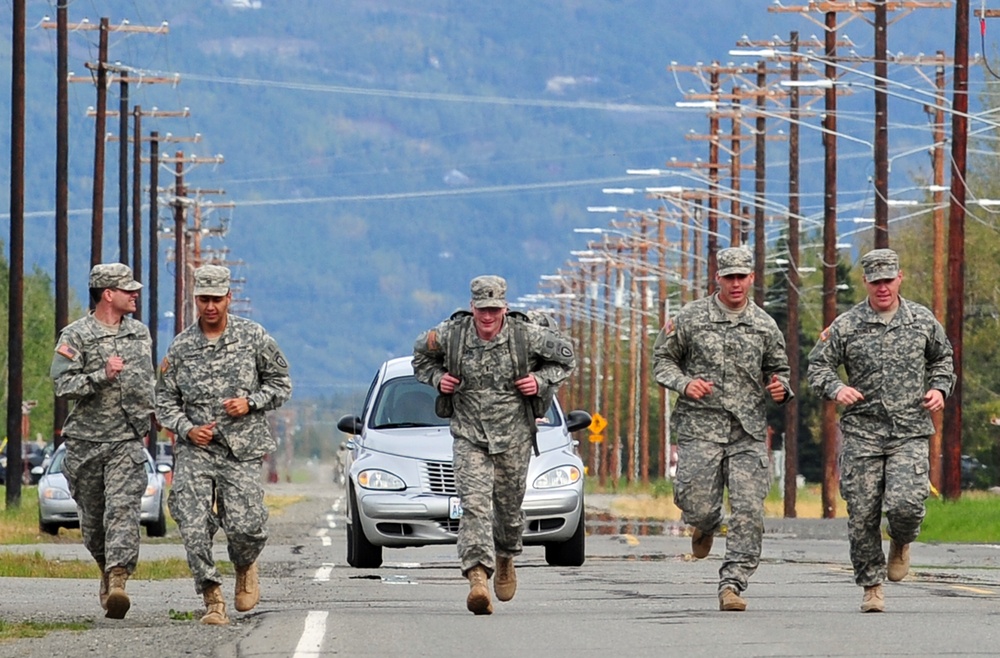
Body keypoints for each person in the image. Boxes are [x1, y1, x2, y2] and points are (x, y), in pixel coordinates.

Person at [412, 275, 575, 615]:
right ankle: (477, 578)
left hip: (514, 436)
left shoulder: (525, 336)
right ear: (472, 307)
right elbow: (420, 358)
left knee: (508, 512)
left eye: (494, 309)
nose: (488, 317)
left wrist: (540, 381)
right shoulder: (450, 335)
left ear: (505, 308)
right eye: (482, 310)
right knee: (473, 506)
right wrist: (438, 379)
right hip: (469, 434)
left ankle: (505, 557)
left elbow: (565, 359)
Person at [807, 248, 954, 613]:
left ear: (899, 278)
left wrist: (939, 388)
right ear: (866, 283)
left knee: (906, 503)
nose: (883, 287)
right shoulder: (846, 325)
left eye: (888, 280)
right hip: (863, 433)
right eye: (876, 282)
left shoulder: (921, 320)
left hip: (909, 429)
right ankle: (872, 585)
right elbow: (817, 367)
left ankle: (901, 541)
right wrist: (837, 388)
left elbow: (943, 358)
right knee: (862, 513)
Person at [652, 246, 792, 612]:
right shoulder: (691, 318)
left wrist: (780, 388)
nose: (735, 284)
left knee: (749, 510)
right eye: (728, 277)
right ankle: (706, 523)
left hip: (746, 431)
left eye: (741, 277)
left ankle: (732, 583)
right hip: (701, 427)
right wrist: (684, 384)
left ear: (751, 279)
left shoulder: (764, 325)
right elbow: (662, 360)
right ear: (718, 278)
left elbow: (779, 371)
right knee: (694, 503)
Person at [156, 264, 292, 625]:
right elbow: (164, 401)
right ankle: (212, 597)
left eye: (217, 299)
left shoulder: (254, 338)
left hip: (241, 447)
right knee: (192, 520)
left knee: (247, 524)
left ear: (229, 298)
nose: (210, 306)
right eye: (204, 299)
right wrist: (186, 429)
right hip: (197, 449)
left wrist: (251, 402)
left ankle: (245, 564)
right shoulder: (182, 347)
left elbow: (281, 384)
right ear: (195, 300)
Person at [49, 263, 155, 619]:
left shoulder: (140, 333)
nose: (135, 294)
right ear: (108, 294)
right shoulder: (75, 335)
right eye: (128, 290)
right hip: (86, 442)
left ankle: (119, 578)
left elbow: (146, 383)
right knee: (94, 522)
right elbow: (61, 384)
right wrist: (101, 375)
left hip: (127, 439)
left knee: (123, 509)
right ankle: (106, 571)